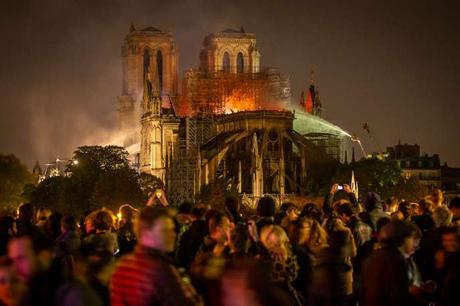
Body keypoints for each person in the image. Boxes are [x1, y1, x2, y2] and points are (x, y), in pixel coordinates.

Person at [110, 207, 202, 306]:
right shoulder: (161, 270)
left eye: (173, 230)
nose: (173, 234)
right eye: (166, 230)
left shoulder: (123, 265)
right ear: (147, 233)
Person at [361, 221, 420, 306]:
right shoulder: (397, 261)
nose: (416, 245)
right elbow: (398, 298)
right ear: (404, 238)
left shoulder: (373, 255)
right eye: (413, 238)